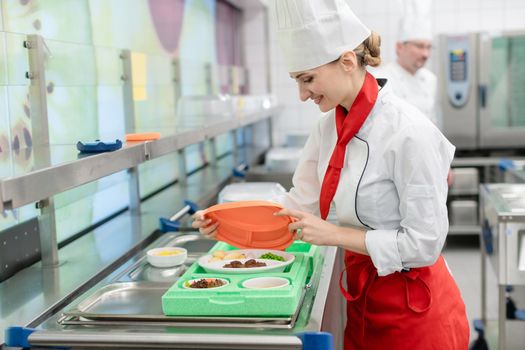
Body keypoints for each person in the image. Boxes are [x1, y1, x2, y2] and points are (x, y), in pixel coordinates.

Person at [193, 0, 469, 349]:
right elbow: (295, 211)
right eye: (297, 81)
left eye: (307, 79)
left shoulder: (409, 132)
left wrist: (335, 234)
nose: (302, 94)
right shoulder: (326, 130)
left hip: (416, 311)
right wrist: (226, 224)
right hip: (364, 304)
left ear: (347, 61)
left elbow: (425, 243)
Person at [375, 0, 440, 128]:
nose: (425, 54)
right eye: (420, 46)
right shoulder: (381, 80)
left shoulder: (431, 79)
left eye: (429, 47)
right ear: (399, 47)